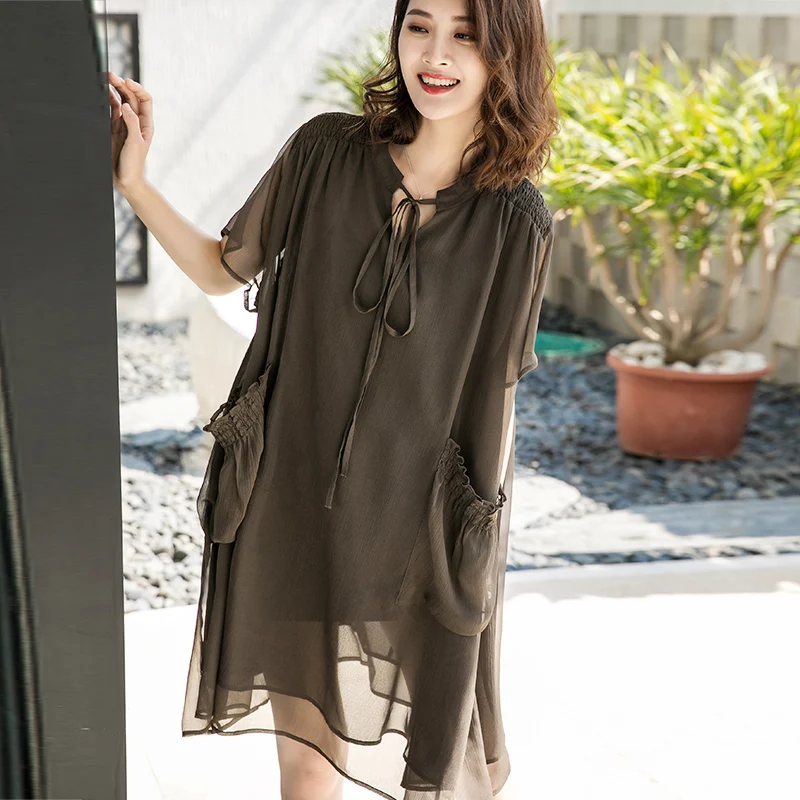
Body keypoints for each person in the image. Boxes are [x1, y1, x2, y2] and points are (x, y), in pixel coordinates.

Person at [109, 0, 558, 797]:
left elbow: (493, 408)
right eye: (419, 26)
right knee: (306, 767)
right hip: (291, 500)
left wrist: (470, 560)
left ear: (507, 52)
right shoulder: (325, 152)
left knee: (433, 758)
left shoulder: (515, 219)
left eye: (465, 35)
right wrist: (135, 183)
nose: (435, 54)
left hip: (411, 527)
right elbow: (221, 268)